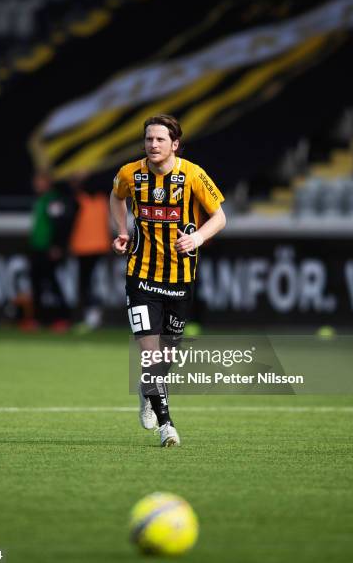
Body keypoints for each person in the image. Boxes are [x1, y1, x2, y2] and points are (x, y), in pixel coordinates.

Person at [110, 114, 226, 447]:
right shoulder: (130, 174)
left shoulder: (192, 174)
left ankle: (148, 393)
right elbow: (115, 197)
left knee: (166, 356)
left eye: (160, 139)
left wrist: (197, 239)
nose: (153, 145)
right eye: (149, 139)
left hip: (179, 278)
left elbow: (220, 216)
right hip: (141, 276)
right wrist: (122, 231)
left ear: (174, 144)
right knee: (151, 355)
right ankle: (167, 425)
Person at [29, 171, 78, 330]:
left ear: (47, 182)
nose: (36, 184)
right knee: (37, 284)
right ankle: (38, 319)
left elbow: (60, 225)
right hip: (37, 247)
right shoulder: (42, 199)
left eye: (39, 180)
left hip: (49, 248)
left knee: (52, 283)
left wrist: (57, 246)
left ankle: (63, 318)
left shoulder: (54, 200)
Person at [69, 173, 111, 332]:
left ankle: (92, 316)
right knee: (92, 284)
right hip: (95, 248)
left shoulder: (80, 200)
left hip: (87, 248)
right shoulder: (102, 200)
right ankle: (92, 316)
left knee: (88, 284)